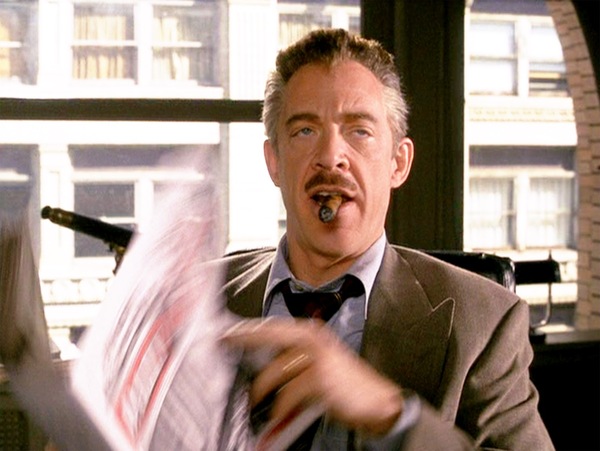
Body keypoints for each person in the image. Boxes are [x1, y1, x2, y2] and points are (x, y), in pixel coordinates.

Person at [220, 28, 553, 450]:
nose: (331, 157)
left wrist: (391, 416)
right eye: (304, 130)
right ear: (274, 162)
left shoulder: (486, 323)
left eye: (359, 131)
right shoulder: (195, 296)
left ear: (398, 163)